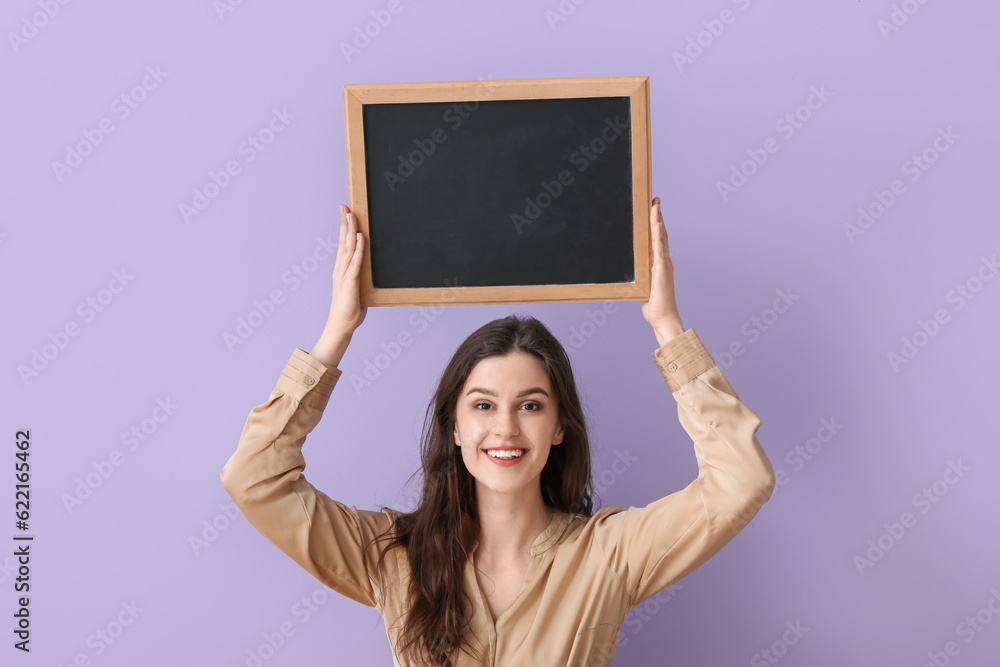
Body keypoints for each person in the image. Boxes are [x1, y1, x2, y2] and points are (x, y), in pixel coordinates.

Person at [220, 198, 776, 667]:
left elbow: (741, 481)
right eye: (483, 405)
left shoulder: (610, 553)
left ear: (560, 427)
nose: (505, 428)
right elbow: (254, 480)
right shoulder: (392, 556)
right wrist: (336, 333)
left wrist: (667, 325)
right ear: (455, 427)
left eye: (531, 405)